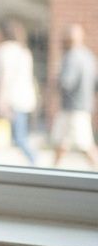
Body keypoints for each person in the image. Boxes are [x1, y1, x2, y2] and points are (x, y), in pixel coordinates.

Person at [0, 18, 38, 165]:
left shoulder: (4, 50)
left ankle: (35, 161)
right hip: (24, 100)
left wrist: (0, 101)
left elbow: (5, 77)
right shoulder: (24, 51)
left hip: (9, 100)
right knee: (17, 136)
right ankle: (35, 162)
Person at [51, 23, 98, 169]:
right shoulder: (88, 56)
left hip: (74, 106)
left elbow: (67, 82)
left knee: (85, 143)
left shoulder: (71, 57)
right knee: (62, 140)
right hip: (82, 104)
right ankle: (54, 169)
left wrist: (55, 81)